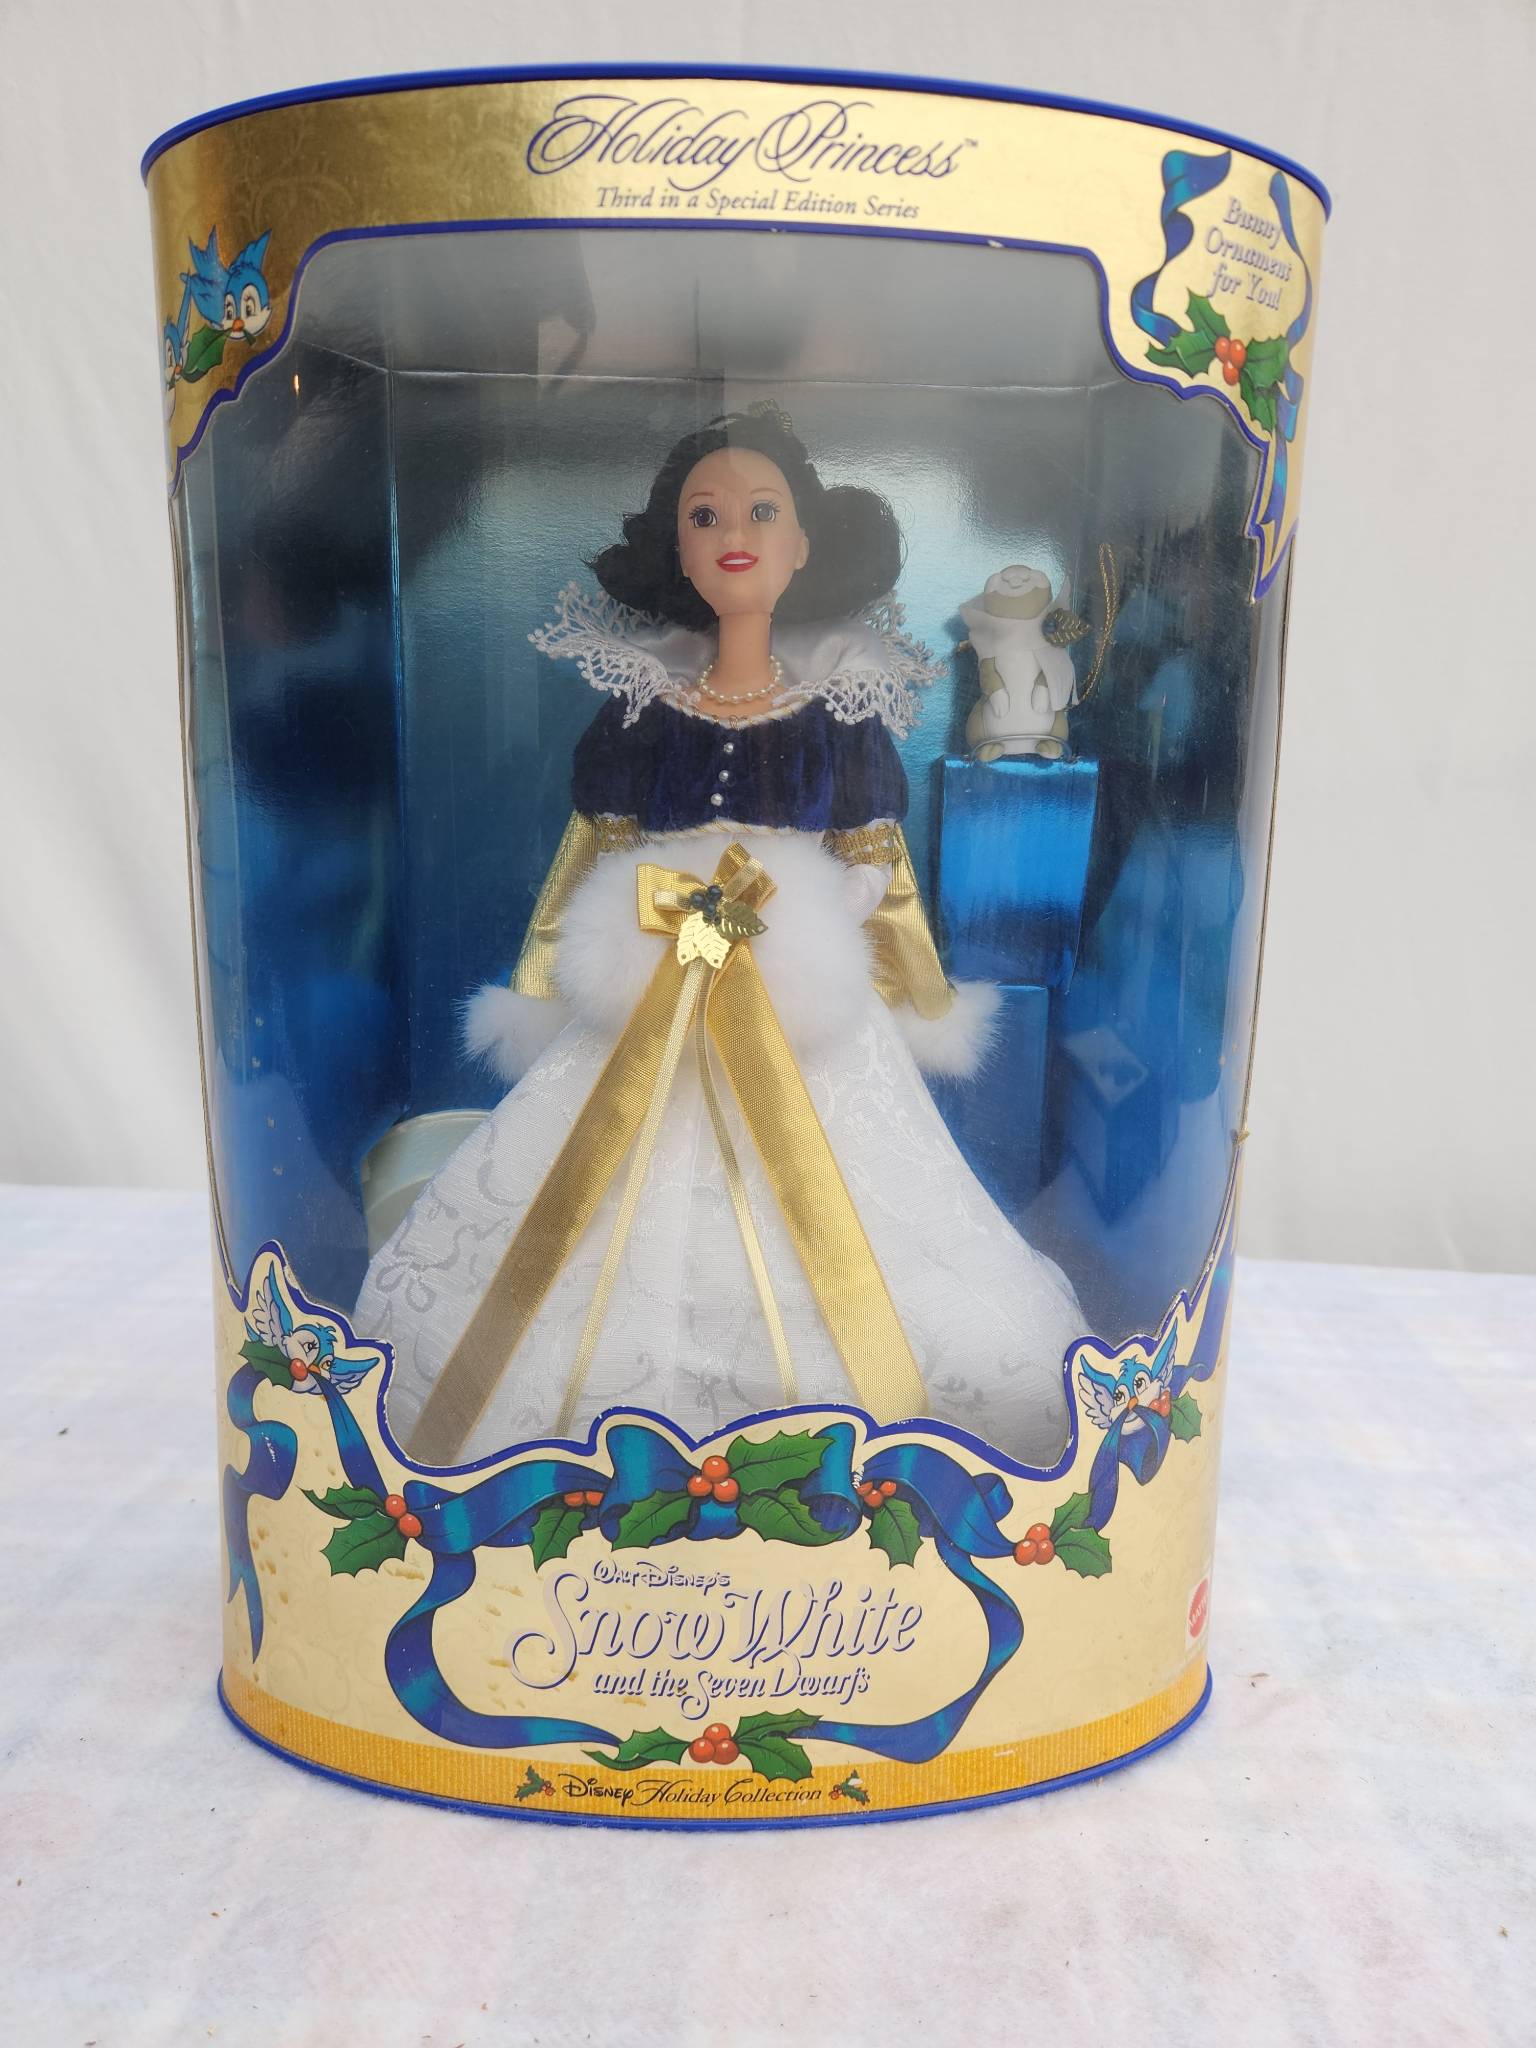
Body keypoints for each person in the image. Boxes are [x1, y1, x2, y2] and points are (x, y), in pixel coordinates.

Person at [355, 406, 1082, 1467]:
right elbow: (588, 857)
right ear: (678, 548)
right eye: (705, 515)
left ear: (804, 543)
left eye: (762, 511)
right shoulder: (642, 706)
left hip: (804, 1003)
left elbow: (878, 864)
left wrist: (904, 986)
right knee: (592, 1183)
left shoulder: (840, 708)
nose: (734, 532)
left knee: (858, 1196)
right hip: (649, 984)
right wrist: (543, 984)